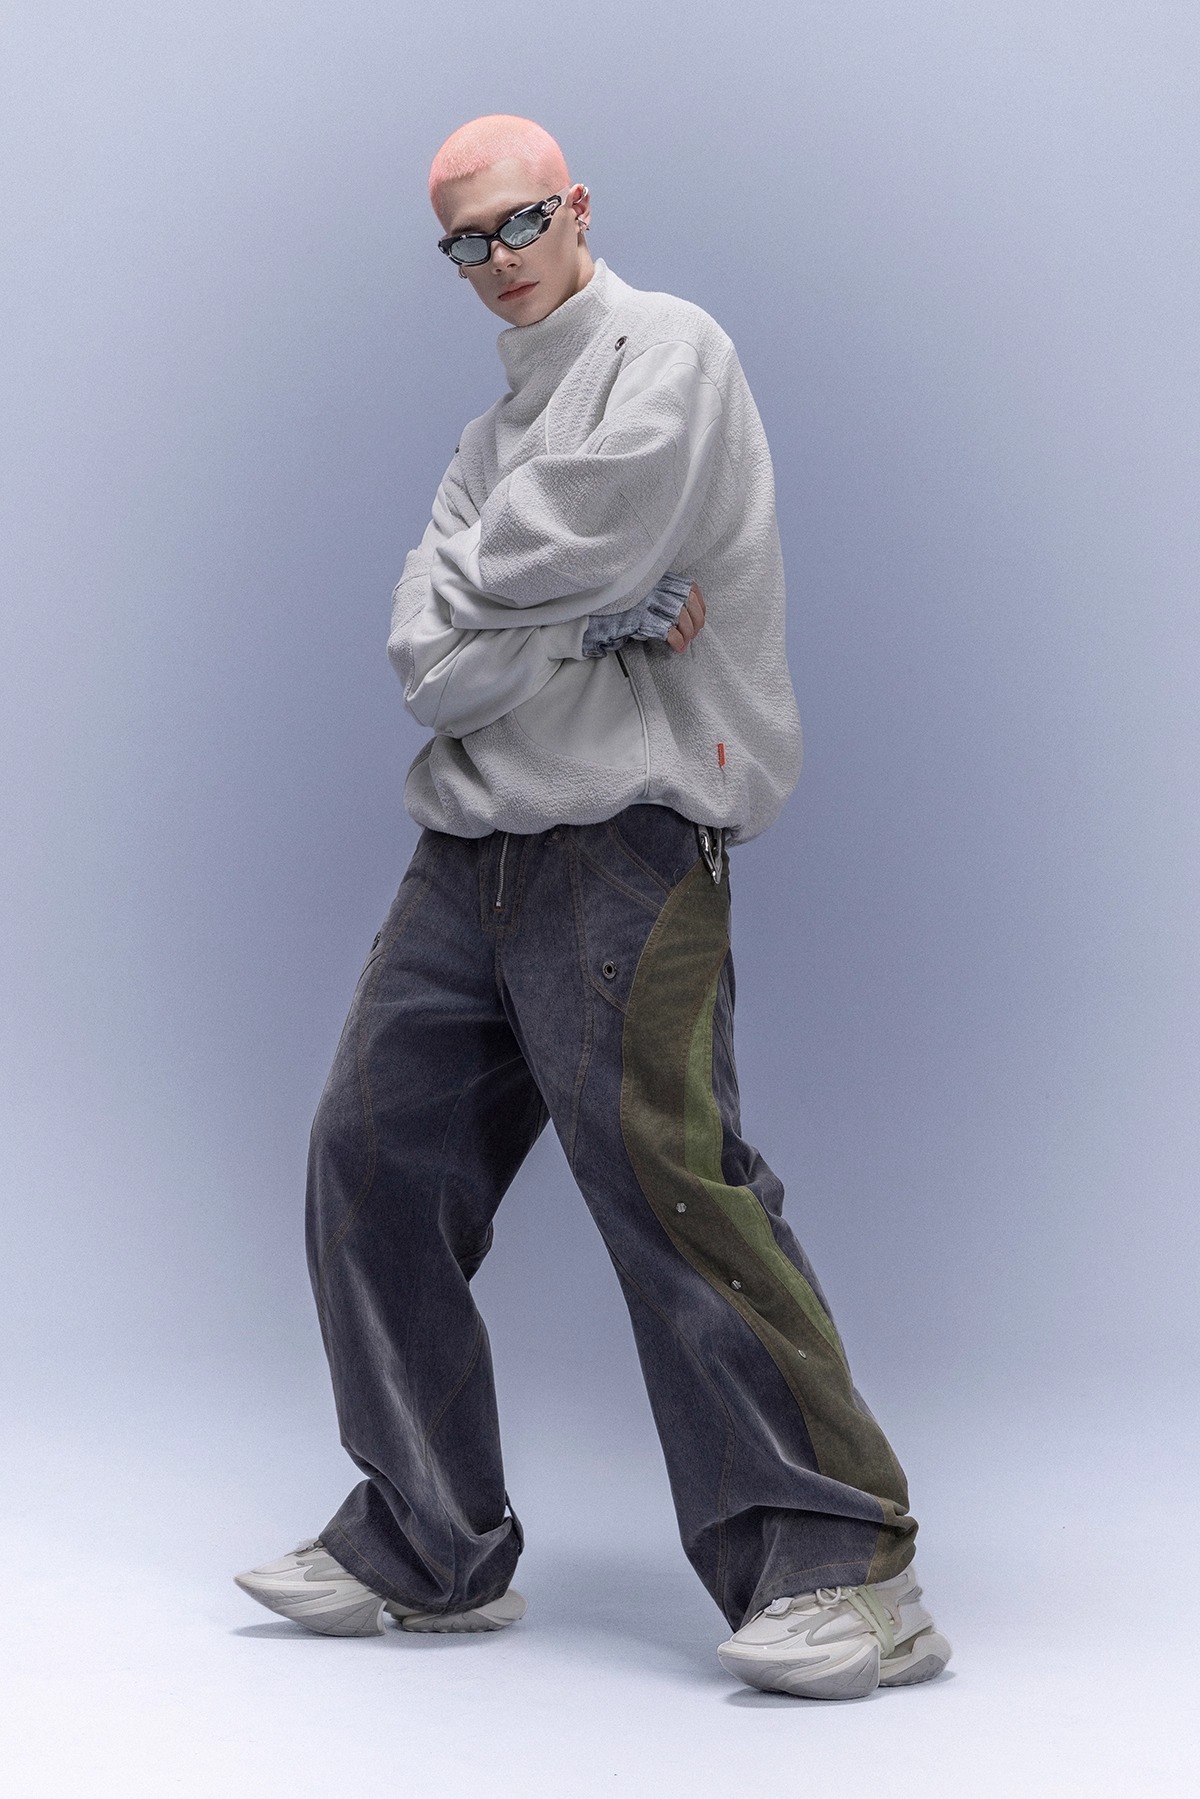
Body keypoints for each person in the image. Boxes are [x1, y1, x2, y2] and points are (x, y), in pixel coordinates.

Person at [234, 113, 952, 1701]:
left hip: (627, 841)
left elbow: (588, 538)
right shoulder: (485, 439)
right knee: (369, 1161)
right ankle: (429, 1543)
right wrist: (587, 622)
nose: (497, 258)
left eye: (517, 221)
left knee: (675, 1186)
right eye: (465, 241)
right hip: (467, 855)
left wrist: (508, 597)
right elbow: (426, 661)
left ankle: (848, 1570)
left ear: (573, 207)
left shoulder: (667, 352)